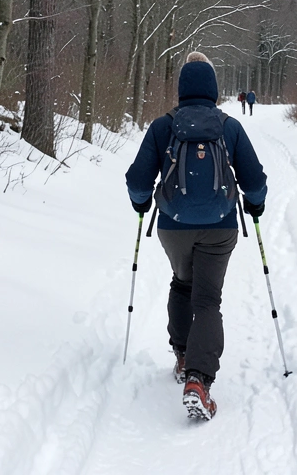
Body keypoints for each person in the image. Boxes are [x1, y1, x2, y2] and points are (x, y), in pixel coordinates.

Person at [125, 52, 267, 421]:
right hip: (220, 227)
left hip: (173, 226)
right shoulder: (229, 126)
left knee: (182, 284)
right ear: (214, 89)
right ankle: (199, 381)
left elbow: (137, 180)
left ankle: (183, 354)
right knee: (208, 300)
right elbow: (255, 180)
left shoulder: (162, 126)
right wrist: (256, 206)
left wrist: (141, 204)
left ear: (181, 88)